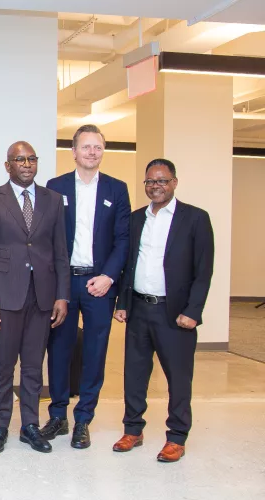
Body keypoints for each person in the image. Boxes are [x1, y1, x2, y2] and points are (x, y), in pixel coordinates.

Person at [112, 159, 214, 463]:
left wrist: (193, 311)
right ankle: (133, 429)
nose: (155, 186)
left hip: (175, 313)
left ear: (174, 183)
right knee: (135, 373)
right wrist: (123, 303)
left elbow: (203, 270)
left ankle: (177, 436)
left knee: (178, 378)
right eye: (150, 182)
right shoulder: (135, 219)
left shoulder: (195, 219)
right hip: (140, 309)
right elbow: (128, 264)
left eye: (162, 181)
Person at [0, 141, 69, 454]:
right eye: (19, 159)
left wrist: (62, 296)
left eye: (31, 159)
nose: (26, 164)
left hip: (42, 296)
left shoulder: (53, 200)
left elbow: (60, 252)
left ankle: (29, 424)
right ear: (7, 166)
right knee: (2, 365)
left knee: (32, 366)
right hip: (5, 297)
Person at [41, 124, 131, 448]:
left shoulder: (117, 190)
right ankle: (58, 416)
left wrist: (108, 277)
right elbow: (48, 240)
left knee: (95, 353)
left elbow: (123, 240)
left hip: (100, 285)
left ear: (102, 151)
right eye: (86, 147)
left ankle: (83, 420)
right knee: (59, 350)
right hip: (65, 284)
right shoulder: (56, 187)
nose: (92, 152)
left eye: (97, 147)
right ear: (74, 151)